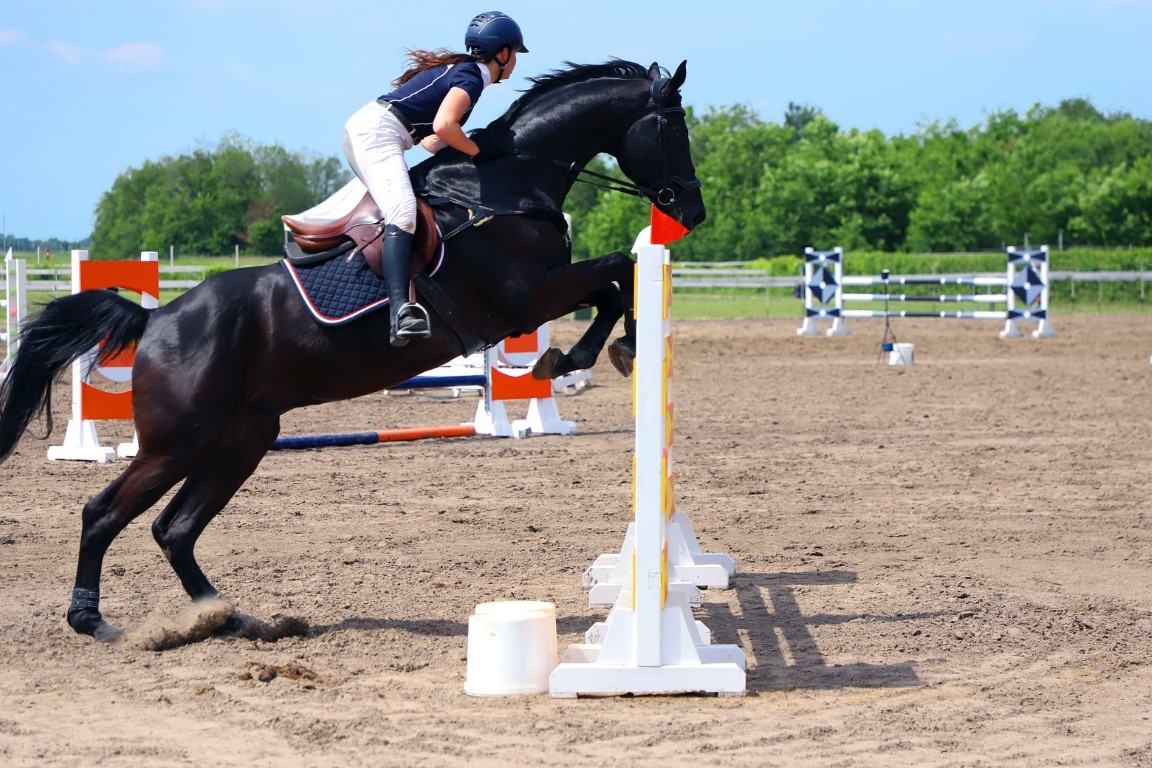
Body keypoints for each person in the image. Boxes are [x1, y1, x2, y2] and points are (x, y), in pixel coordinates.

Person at [343, 11, 528, 347]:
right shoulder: (472, 77)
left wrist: (472, 142)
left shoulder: (466, 74)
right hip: (379, 133)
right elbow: (444, 127)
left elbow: (432, 140)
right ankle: (400, 311)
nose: (515, 62)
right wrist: (477, 152)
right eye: (515, 53)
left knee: (410, 206)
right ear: (503, 54)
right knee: (402, 214)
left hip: (379, 131)